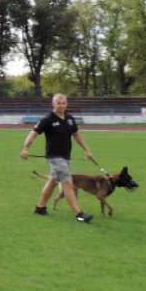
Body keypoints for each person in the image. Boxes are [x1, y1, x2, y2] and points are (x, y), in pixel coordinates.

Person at [20, 93, 95, 223]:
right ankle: (79, 214)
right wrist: (26, 148)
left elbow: (76, 135)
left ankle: (40, 207)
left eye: (64, 103)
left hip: (66, 156)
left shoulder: (70, 119)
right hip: (54, 157)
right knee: (67, 183)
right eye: (58, 103)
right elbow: (33, 133)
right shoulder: (47, 119)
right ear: (53, 104)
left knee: (53, 182)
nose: (61, 105)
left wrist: (86, 150)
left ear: (66, 104)